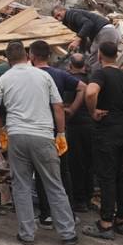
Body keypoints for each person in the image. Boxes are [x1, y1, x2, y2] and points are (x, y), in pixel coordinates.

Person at [0, 41, 77, 245]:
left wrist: (1, 129)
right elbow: (58, 106)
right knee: (54, 184)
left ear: (7, 59)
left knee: (21, 185)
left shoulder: (4, 78)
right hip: (43, 135)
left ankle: (27, 233)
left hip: (17, 135)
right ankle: (67, 233)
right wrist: (61, 133)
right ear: (27, 55)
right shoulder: (43, 76)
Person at [83, 42, 123, 240]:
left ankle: (105, 223)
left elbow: (90, 92)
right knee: (122, 175)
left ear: (99, 56)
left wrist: (92, 111)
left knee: (107, 176)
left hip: (107, 131)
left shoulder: (101, 74)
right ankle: (122, 219)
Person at [29, 40, 81, 217]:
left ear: (32, 56)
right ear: (49, 56)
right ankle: (69, 211)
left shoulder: (29, 76)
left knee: (40, 172)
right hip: (57, 129)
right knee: (63, 171)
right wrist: (72, 109)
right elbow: (84, 88)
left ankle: (46, 213)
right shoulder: (59, 75)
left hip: (36, 129)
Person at [66, 53, 95, 212]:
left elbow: (65, 105)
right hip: (90, 126)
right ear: (84, 65)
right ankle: (88, 197)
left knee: (75, 164)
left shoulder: (70, 82)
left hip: (74, 126)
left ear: (70, 65)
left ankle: (79, 199)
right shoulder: (92, 80)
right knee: (89, 163)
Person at [53, 5, 120, 69]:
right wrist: (81, 52)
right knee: (107, 60)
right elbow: (83, 35)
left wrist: (77, 40)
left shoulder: (72, 14)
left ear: (63, 10)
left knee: (94, 60)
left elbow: (88, 24)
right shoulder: (69, 19)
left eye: (59, 15)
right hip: (109, 31)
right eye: (56, 18)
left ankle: (94, 80)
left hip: (104, 32)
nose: (59, 19)